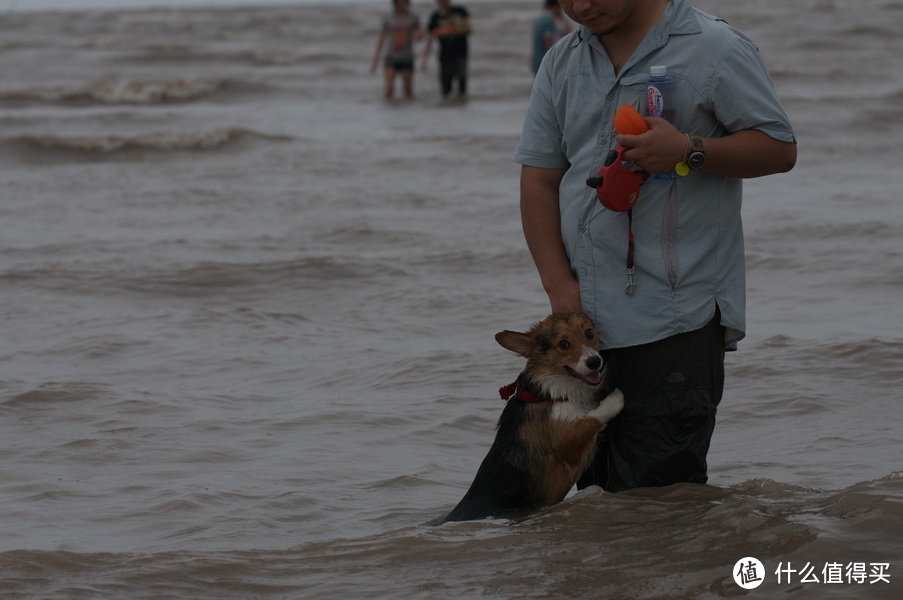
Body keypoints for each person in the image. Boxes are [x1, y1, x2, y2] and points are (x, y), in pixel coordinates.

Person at [512, 0, 796, 493]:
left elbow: (779, 148)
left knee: (663, 505)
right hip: (585, 328)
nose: (579, 6)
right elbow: (539, 180)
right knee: (597, 502)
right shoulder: (562, 61)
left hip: (676, 319)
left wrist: (689, 149)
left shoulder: (716, 48)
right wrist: (559, 286)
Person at [371, 0, 422, 100]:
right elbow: (381, 39)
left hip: (407, 57)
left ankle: (411, 113)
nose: (402, 3)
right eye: (400, 1)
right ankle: (387, 113)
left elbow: (419, 34)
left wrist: (418, 36)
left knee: (408, 92)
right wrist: (375, 59)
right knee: (389, 91)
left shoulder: (413, 18)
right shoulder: (388, 18)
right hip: (391, 57)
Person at [422, 0, 471, 100]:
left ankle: (462, 108)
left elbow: (468, 28)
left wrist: (448, 31)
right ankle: (447, 111)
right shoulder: (435, 16)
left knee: (462, 86)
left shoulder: (459, 11)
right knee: (445, 89)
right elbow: (430, 38)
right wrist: (424, 59)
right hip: (445, 56)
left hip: (460, 53)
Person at [532, 0, 571, 75]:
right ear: (557, 6)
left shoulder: (539, 19)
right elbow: (549, 44)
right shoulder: (548, 20)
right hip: (545, 64)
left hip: (537, 61)